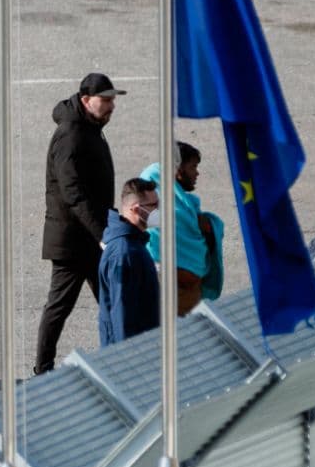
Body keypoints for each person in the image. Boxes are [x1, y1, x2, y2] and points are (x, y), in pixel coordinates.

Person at [35, 73, 120, 373]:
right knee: (60, 306)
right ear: (86, 100)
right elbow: (72, 192)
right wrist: (102, 233)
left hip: (91, 236)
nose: (111, 106)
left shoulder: (90, 127)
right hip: (73, 240)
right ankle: (42, 369)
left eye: (113, 100)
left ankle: (119, 356)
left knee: (112, 300)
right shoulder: (71, 134)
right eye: (105, 100)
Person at [141, 142, 225, 317]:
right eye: (193, 167)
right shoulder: (163, 207)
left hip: (189, 294)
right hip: (168, 294)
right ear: (177, 170)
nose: (197, 173)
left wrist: (209, 226)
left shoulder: (186, 204)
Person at [98, 178, 160, 348]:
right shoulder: (123, 254)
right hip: (131, 355)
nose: (159, 210)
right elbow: (121, 312)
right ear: (136, 210)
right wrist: (127, 359)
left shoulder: (133, 244)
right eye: (154, 206)